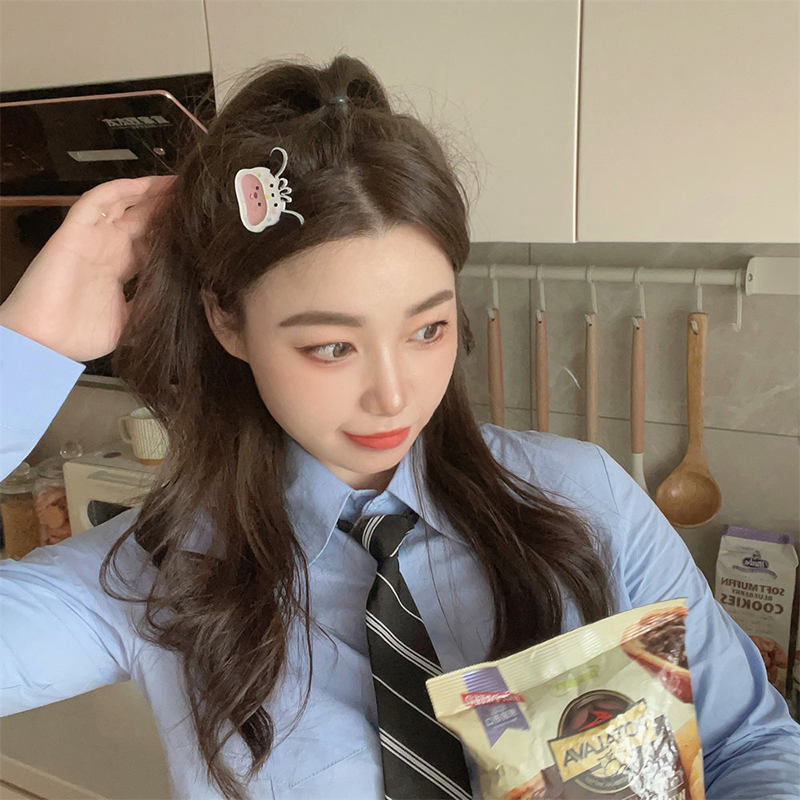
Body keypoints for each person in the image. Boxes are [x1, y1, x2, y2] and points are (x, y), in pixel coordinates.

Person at [0, 54, 798, 800]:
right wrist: (29, 345)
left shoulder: (582, 499)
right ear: (227, 321)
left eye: (427, 329)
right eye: (331, 346)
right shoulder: (158, 576)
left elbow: (748, 742)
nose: (394, 396)